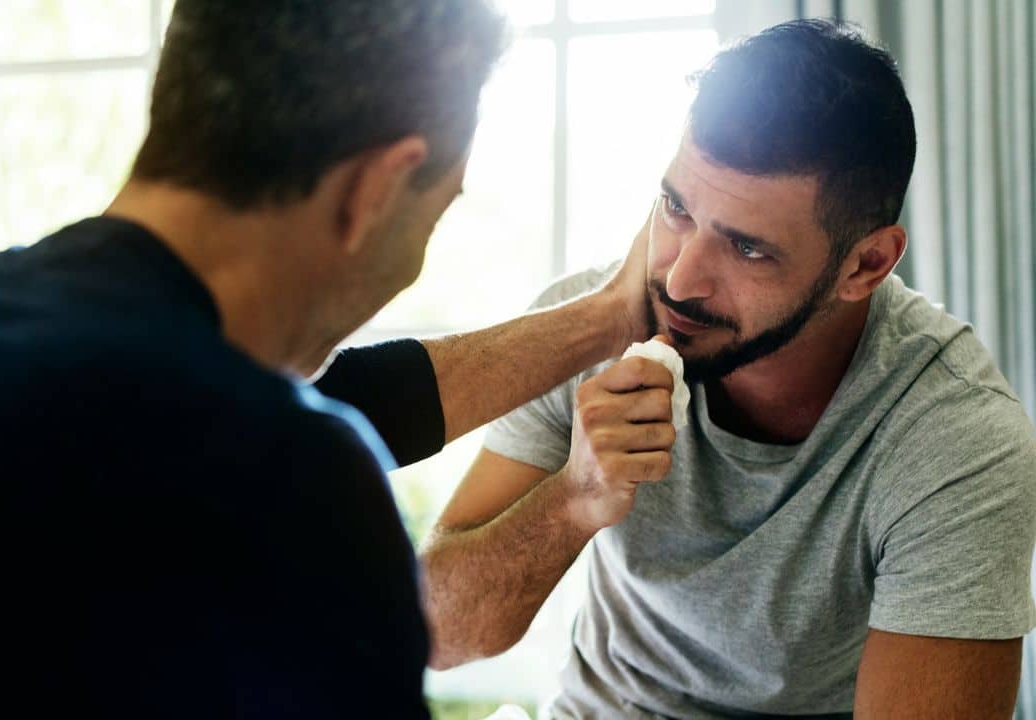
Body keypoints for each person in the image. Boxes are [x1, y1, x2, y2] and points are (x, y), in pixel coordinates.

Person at [0, 1, 654, 716]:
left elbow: (314, 398)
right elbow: (272, 434)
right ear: (375, 190)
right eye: (436, 209)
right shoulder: (284, 477)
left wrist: (609, 318)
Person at [421, 19, 1036, 719]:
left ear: (865, 264)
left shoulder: (954, 439)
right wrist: (573, 499)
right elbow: (438, 636)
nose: (680, 281)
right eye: (677, 209)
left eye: (747, 250)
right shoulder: (588, 332)